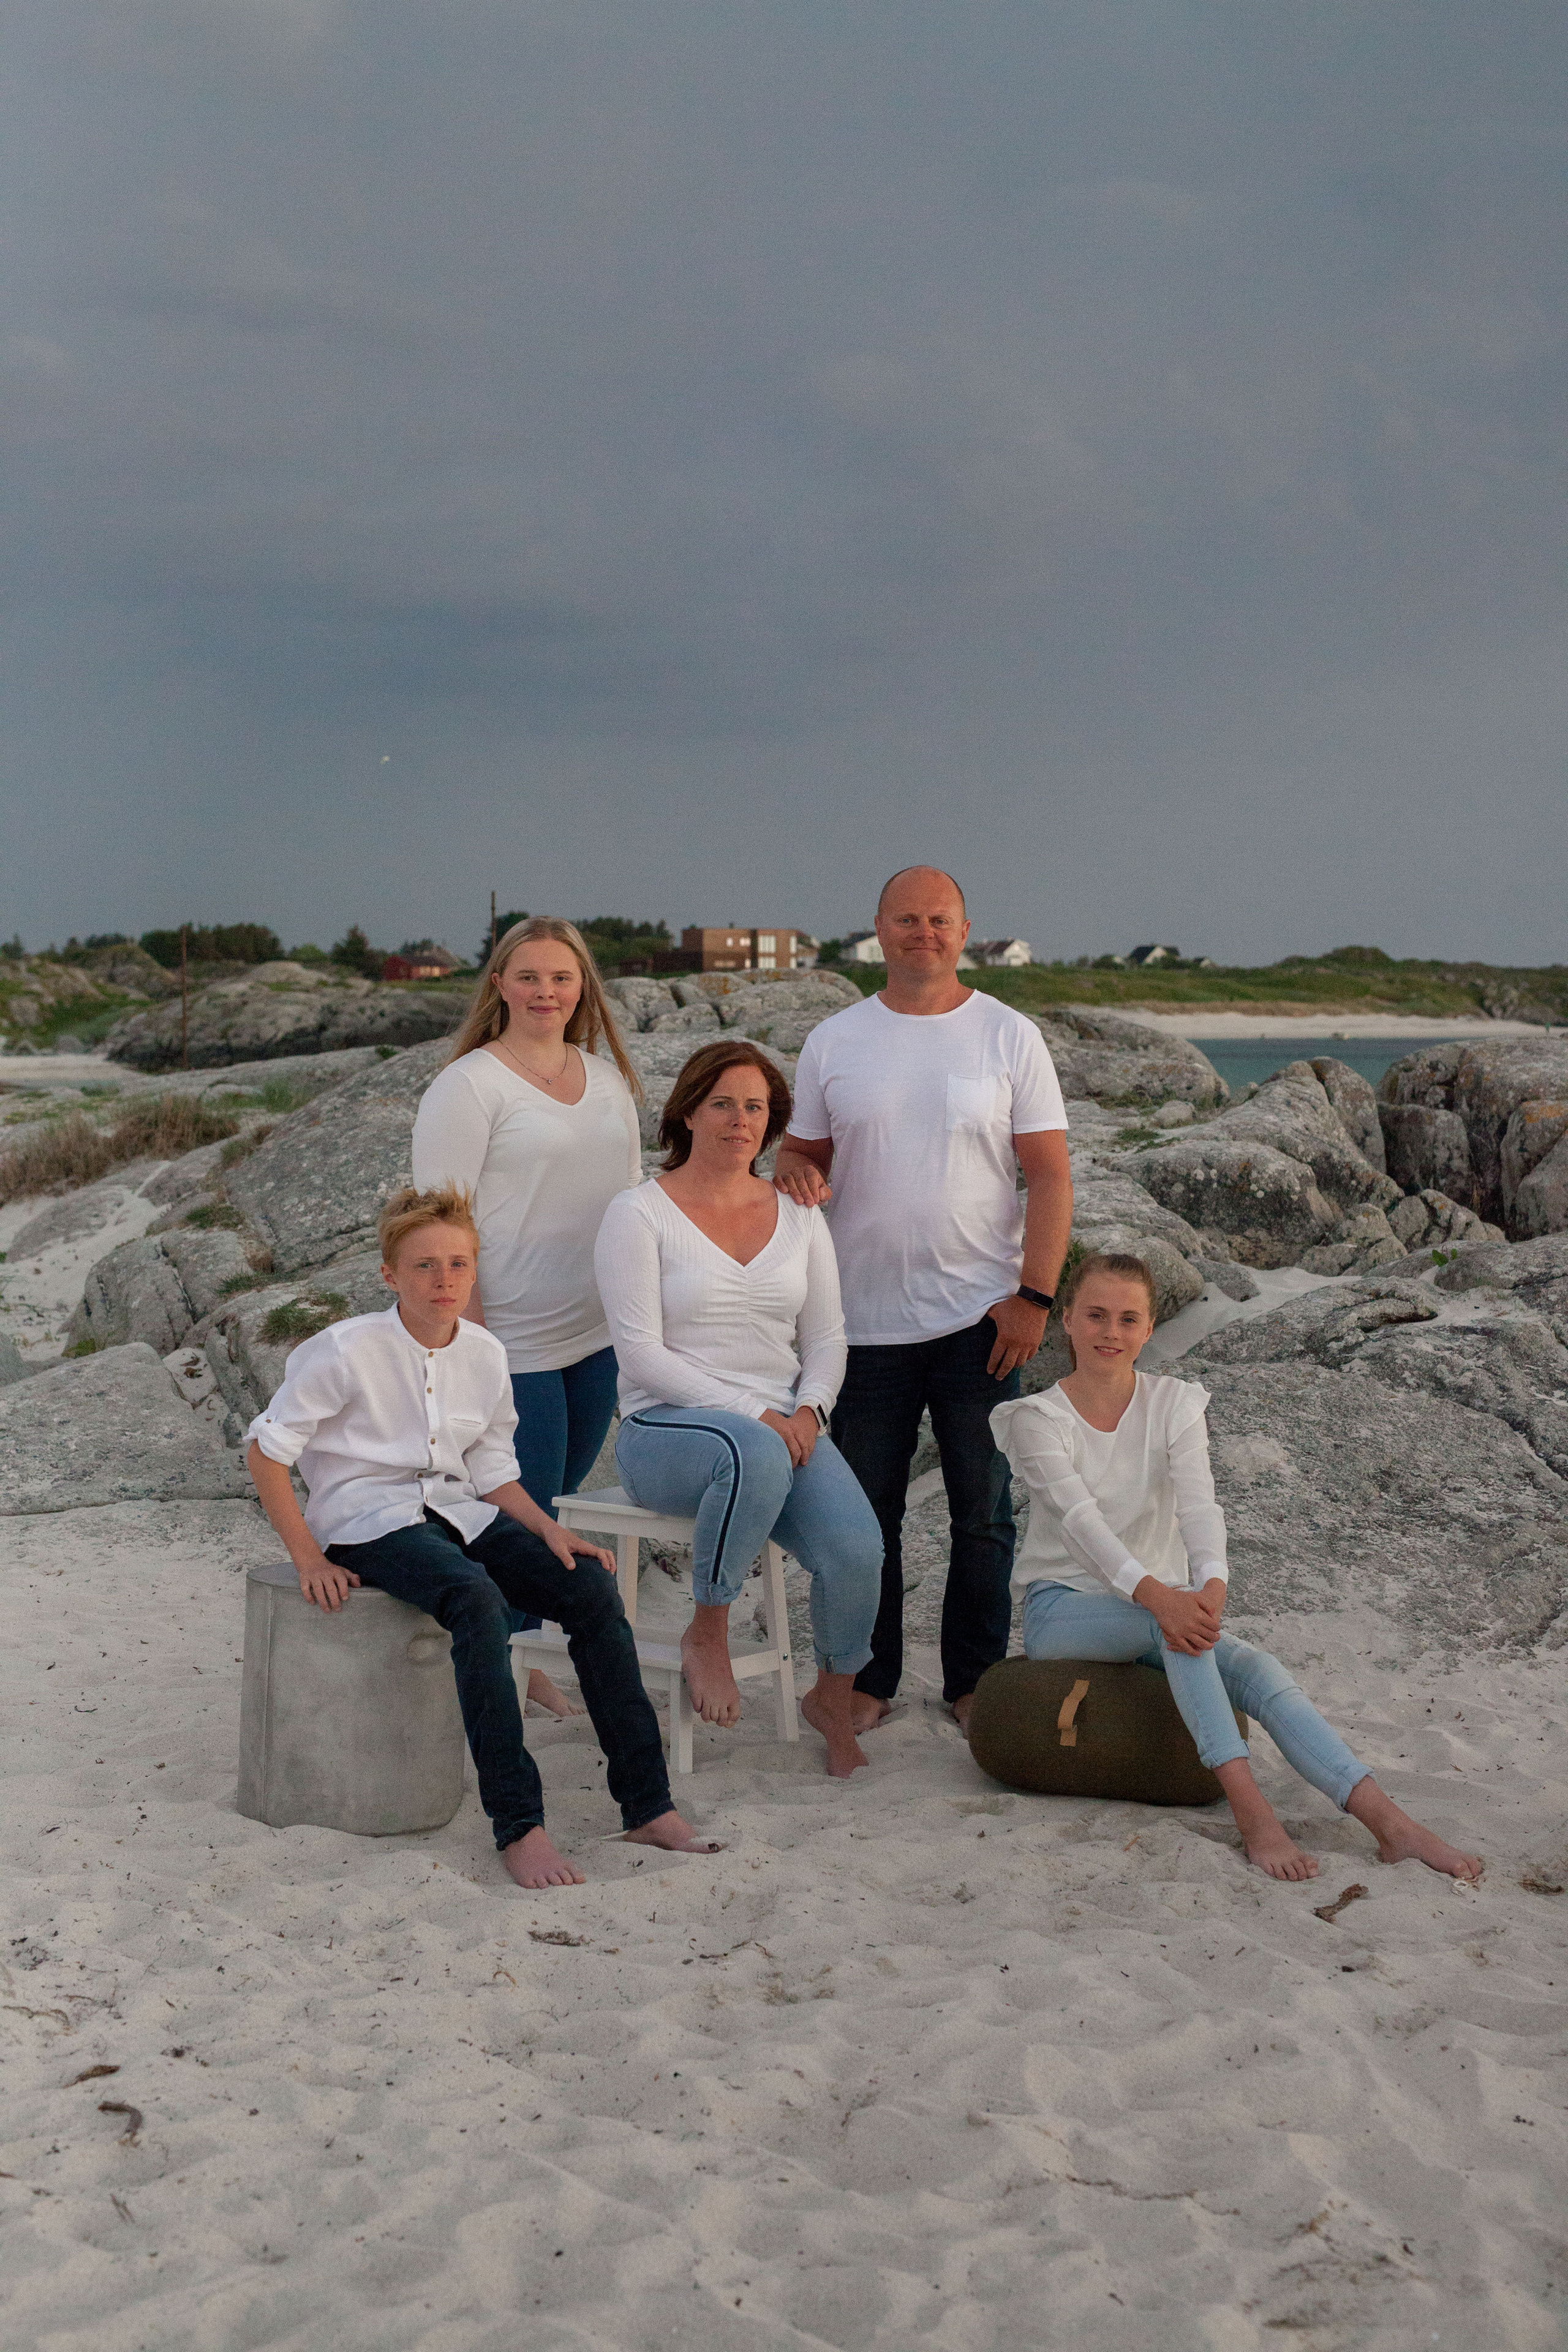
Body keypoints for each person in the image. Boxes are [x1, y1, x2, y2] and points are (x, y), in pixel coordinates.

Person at [245, 1183, 716, 1889]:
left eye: (459, 1265)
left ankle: (647, 1805)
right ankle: (519, 1826)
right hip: (366, 1520)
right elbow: (267, 1450)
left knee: (588, 1587)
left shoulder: (487, 1355)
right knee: (476, 1599)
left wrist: (549, 1531)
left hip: (456, 1509)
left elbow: (491, 1468)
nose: (444, 1281)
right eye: (425, 1266)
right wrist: (307, 1557)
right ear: (390, 1275)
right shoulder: (344, 1351)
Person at [991, 1250, 1484, 1884]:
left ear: (1147, 1329)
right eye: (1095, 1315)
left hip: (1161, 1600)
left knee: (1254, 1665)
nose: (1110, 1333)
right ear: (1067, 1320)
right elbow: (1083, 1527)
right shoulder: (1038, 1419)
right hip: (1062, 1610)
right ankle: (1253, 1816)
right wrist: (1164, 1601)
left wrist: (1211, 1587)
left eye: (1126, 1319)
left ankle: (1391, 1824)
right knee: (1172, 1628)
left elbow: (1201, 1506)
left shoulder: (1174, 1404)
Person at [772, 864, 1072, 1734]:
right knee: (868, 1519)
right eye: (906, 920)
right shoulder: (835, 1038)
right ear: (878, 928)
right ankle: (868, 1679)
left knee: (983, 1513)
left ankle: (973, 1681)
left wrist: (1035, 1297)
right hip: (860, 1321)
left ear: (965, 929)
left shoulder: (1009, 1035)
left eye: (939, 920)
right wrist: (792, 1170)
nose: (923, 934)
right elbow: (802, 1157)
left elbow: (1049, 1177)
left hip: (982, 1317)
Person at [593, 1042, 883, 1777]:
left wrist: (812, 1409)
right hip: (666, 1429)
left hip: (784, 1425)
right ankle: (708, 1630)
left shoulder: (798, 1214)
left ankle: (832, 1692)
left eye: (755, 1107)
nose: (739, 1120)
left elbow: (825, 1336)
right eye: (722, 1103)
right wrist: (758, 1413)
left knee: (858, 1552)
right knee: (748, 1451)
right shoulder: (638, 1214)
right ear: (687, 1112)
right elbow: (639, 1354)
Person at [412, 917, 643, 1716]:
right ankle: (498, 1674)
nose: (547, 992)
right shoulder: (470, 1085)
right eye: (530, 977)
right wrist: (467, 1346)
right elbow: (440, 1226)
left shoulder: (608, 1080)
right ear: (500, 985)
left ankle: (507, 1649)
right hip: (509, 1340)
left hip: (595, 1334)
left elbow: (634, 1207)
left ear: (583, 988)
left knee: (558, 1499)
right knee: (526, 1513)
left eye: (561, 978)